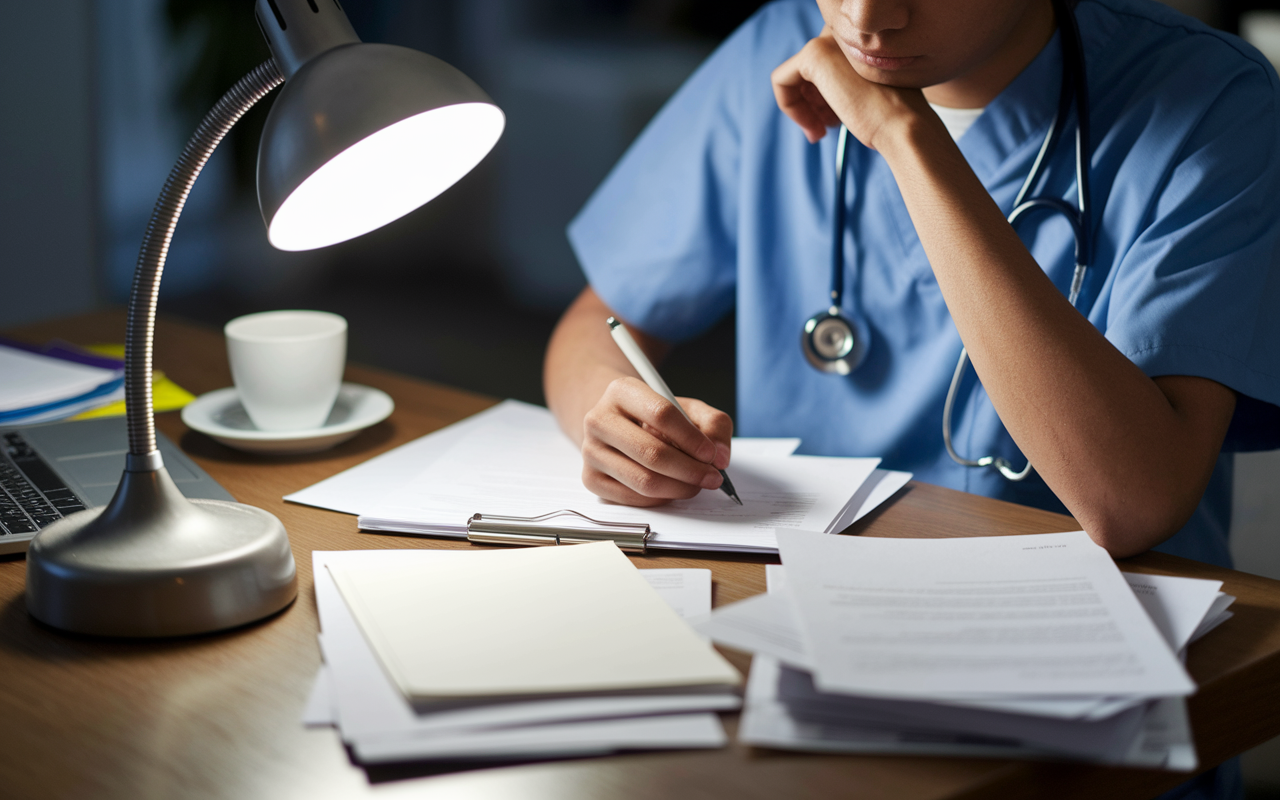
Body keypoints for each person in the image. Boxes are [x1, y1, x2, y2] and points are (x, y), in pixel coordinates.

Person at [545, 0, 1280, 573]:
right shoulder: (775, 45)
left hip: (1082, 679)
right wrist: (616, 428)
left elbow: (1133, 503)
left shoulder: (1210, 102)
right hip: (791, 606)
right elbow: (600, 320)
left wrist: (906, 139)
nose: (866, 20)